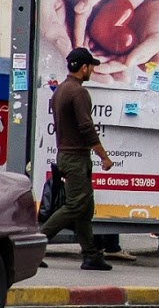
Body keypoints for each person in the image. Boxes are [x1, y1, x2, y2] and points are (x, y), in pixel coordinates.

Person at [40, 47, 116, 271]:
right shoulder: (78, 92)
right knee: (75, 206)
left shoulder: (61, 90)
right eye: (91, 66)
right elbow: (86, 127)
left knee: (85, 207)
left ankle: (91, 255)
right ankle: (32, 244)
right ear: (84, 68)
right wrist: (104, 156)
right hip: (75, 158)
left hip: (67, 154)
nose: (92, 70)